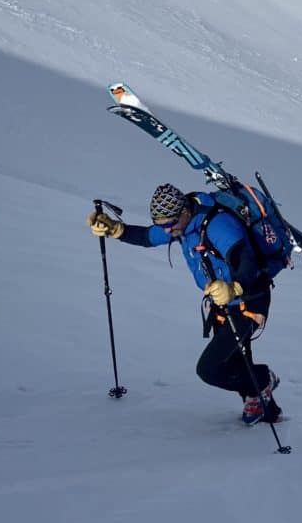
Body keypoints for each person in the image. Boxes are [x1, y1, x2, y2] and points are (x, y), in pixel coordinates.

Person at [87, 182, 283, 425]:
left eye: (170, 224)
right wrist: (116, 230)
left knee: (210, 369)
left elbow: (247, 263)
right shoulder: (180, 224)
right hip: (223, 303)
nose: (167, 231)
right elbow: (149, 236)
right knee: (236, 361)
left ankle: (263, 380)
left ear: (185, 212)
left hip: (249, 300)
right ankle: (266, 409)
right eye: (163, 225)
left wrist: (235, 288)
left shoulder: (218, 226)